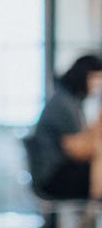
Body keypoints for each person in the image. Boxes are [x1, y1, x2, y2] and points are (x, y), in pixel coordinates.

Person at [25, 53, 102, 202]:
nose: (99, 85)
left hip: (57, 172)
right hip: (53, 177)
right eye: (96, 78)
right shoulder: (64, 104)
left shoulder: (70, 101)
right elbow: (78, 150)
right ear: (84, 76)